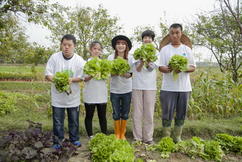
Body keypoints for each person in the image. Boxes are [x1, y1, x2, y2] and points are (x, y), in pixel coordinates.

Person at [45, 34, 85, 149]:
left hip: (73, 97)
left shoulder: (79, 60)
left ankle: (74, 139)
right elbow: (48, 75)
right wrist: (58, 80)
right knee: (58, 121)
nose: (66, 47)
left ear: (74, 46)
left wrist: (71, 79)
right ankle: (58, 141)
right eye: (64, 45)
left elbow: (82, 77)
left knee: (74, 120)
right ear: (61, 45)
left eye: (69, 45)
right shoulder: (54, 57)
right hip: (58, 97)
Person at [159, 23, 196, 143]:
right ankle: (166, 136)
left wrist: (183, 68)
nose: (174, 35)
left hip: (184, 88)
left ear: (181, 34)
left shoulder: (187, 49)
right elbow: (160, 67)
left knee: (181, 112)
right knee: (167, 112)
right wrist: (169, 68)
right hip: (168, 87)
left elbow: (193, 67)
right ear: (169, 34)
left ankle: (177, 136)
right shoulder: (165, 50)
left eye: (177, 33)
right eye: (172, 33)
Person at [132, 30, 159, 145]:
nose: (147, 39)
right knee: (137, 113)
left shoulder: (156, 53)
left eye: (149, 38)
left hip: (150, 86)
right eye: (145, 37)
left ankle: (148, 138)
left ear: (152, 40)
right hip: (137, 85)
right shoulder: (136, 51)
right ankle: (137, 138)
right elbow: (137, 69)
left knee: (149, 113)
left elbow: (151, 68)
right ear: (142, 39)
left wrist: (147, 59)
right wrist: (142, 60)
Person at [108, 35, 133, 140]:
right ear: (115, 46)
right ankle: (117, 133)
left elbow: (131, 74)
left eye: (123, 44)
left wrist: (124, 73)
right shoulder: (110, 57)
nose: (120, 45)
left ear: (126, 46)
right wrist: (115, 72)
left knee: (125, 113)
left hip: (127, 90)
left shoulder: (130, 58)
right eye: (118, 43)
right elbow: (109, 73)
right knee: (116, 112)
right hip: (115, 90)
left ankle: (122, 134)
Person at [83, 41, 107, 139]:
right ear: (90, 50)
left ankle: (104, 136)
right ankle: (90, 136)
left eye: (99, 49)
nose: (97, 51)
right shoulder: (86, 63)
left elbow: (106, 77)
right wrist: (92, 74)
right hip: (90, 94)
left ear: (101, 51)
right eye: (94, 49)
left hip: (101, 94)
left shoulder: (104, 63)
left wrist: (102, 72)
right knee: (89, 116)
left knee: (102, 117)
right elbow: (84, 78)